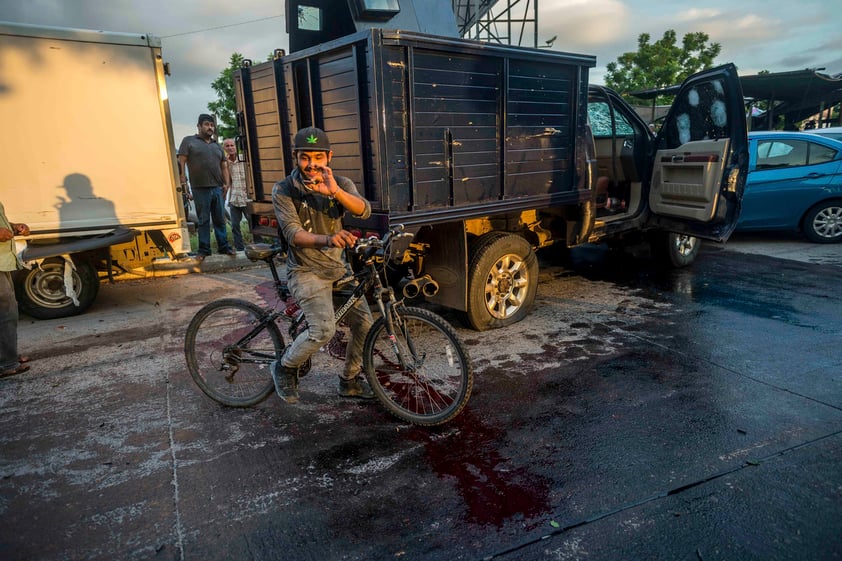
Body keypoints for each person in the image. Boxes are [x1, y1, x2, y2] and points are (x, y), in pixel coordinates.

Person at [271, 126, 374, 404]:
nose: (312, 164)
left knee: (365, 325)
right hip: (305, 272)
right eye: (305, 157)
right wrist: (328, 238)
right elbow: (294, 234)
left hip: (339, 270)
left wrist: (335, 192)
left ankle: (350, 381)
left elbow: (363, 209)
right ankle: (284, 366)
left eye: (318, 157)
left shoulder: (339, 183)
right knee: (323, 331)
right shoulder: (283, 190)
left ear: (329, 156)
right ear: (296, 157)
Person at [177, 114, 235, 261]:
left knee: (220, 220)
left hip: (217, 188)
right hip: (199, 188)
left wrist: (226, 184)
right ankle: (203, 250)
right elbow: (181, 163)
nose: (210, 127)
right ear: (199, 126)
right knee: (203, 221)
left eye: (211, 125)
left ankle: (224, 247)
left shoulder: (216, 145)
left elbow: (224, 166)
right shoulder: (189, 141)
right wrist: (184, 183)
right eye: (207, 124)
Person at [0, 202, 31, 377]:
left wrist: (14, 227)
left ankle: (7, 355)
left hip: (3, 262)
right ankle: (6, 363)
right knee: (5, 313)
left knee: (8, 312)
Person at [223, 138, 249, 252]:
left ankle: (260, 245)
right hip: (234, 198)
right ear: (224, 148)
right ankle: (240, 249)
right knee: (235, 226)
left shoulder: (244, 159)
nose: (230, 148)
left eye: (232, 145)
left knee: (253, 223)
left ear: (236, 146)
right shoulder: (225, 163)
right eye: (227, 146)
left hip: (247, 198)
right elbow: (227, 182)